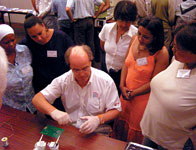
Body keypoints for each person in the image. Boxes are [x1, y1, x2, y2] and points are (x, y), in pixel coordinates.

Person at [32, 45, 121, 134]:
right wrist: (54, 112)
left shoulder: (105, 81)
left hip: (98, 131)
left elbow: (116, 110)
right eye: (76, 70)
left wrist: (98, 119)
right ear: (70, 66)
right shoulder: (64, 80)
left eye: (85, 68)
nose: (81, 74)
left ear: (90, 62)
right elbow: (37, 99)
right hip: (72, 130)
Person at [112, 16, 169, 144]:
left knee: (136, 131)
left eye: (146, 37)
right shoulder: (134, 40)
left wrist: (133, 93)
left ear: (155, 37)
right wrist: (121, 85)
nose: (140, 39)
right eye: (139, 34)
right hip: (125, 95)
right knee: (121, 128)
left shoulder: (161, 53)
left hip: (143, 101)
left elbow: (155, 82)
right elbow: (125, 64)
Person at [141, 21, 196, 150]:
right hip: (152, 132)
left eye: (178, 48)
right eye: (174, 45)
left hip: (174, 142)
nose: (173, 49)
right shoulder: (177, 60)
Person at [20, 14, 74, 111]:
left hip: (61, 85)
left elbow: (73, 56)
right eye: (34, 36)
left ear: (44, 26)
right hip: (42, 86)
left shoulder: (61, 37)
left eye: (40, 33)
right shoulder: (27, 42)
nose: (39, 38)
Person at [99, 0, 138, 95]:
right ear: (116, 18)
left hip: (123, 75)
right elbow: (102, 46)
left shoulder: (136, 34)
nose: (124, 24)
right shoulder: (107, 28)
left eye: (128, 21)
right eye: (121, 20)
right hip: (106, 70)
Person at [0, 24, 36, 113]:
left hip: (31, 104)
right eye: (6, 42)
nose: (11, 44)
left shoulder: (25, 51)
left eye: (13, 40)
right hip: (11, 107)